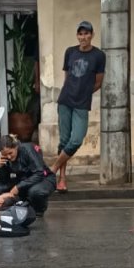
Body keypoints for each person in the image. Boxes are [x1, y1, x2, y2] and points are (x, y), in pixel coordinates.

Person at [53, 20, 105, 192]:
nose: (83, 37)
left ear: (92, 35)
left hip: (82, 103)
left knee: (76, 139)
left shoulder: (98, 55)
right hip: (65, 101)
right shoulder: (70, 52)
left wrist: (83, 93)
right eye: (80, 34)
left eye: (87, 33)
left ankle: (52, 169)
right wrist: (70, 91)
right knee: (64, 139)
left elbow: (98, 82)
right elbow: (67, 77)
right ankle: (62, 179)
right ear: (77, 35)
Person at [0, 134, 56, 214]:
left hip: (44, 178)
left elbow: (39, 173)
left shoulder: (28, 149)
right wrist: (0, 167)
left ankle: (39, 210)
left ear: (15, 147)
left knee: (35, 192)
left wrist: (18, 187)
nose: (8, 157)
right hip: (22, 179)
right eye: (5, 154)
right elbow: (3, 179)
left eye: (10, 153)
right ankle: (21, 202)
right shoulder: (3, 157)